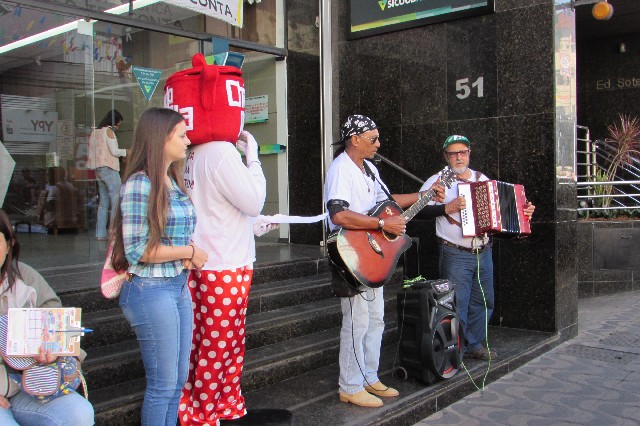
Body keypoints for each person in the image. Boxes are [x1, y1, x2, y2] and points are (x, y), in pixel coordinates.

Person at [325, 115, 436, 408]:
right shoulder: (341, 169)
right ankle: (349, 385)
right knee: (356, 322)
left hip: (373, 255)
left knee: (374, 319)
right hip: (352, 255)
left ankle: (368, 377)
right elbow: (338, 214)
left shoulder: (369, 169)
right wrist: (380, 224)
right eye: (373, 139)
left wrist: (422, 195)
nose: (378, 143)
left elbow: (390, 199)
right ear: (355, 139)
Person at [109, 107, 208, 426]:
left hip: (176, 286)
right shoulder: (140, 184)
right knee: (163, 385)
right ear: (160, 139)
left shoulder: (171, 180)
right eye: (181, 135)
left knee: (177, 381)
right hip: (149, 290)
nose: (187, 140)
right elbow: (138, 249)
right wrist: (189, 251)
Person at [179, 129, 276, 425]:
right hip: (225, 262)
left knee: (212, 342)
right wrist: (254, 158)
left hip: (207, 257)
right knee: (220, 345)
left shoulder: (193, 151)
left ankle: (224, 405)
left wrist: (251, 225)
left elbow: (217, 205)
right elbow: (254, 199)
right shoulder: (220, 152)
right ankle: (204, 413)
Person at [420, 135, 535, 361]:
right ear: (445, 156)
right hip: (455, 252)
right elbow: (420, 212)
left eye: (462, 152)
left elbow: (498, 216)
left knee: (483, 301)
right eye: (453, 153)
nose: (458, 157)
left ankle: (474, 344)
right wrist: (446, 208)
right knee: (457, 303)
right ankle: (456, 351)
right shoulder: (437, 180)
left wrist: (523, 213)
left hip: (483, 250)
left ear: (469, 153)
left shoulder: (482, 179)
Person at [0, 209, 95, 425]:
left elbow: (60, 329)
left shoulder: (26, 278)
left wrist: (56, 352)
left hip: (31, 388)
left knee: (79, 413)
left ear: (9, 245)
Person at [87, 109, 127, 241]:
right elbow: (114, 151)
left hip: (98, 170)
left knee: (103, 204)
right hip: (109, 168)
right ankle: (114, 231)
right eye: (118, 124)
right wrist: (127, 152)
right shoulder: (108, 131)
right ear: (114, 122)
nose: (117, 127)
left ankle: (100, 234)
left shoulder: (95, 133)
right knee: (117, 199)